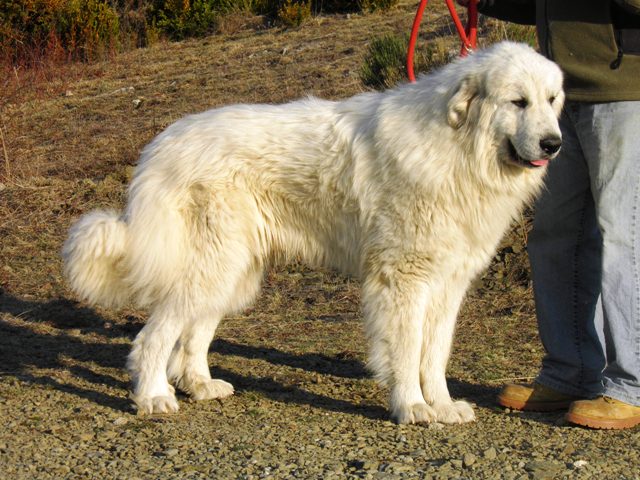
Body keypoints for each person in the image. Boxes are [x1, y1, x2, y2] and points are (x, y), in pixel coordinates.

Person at [456, 0, 640, 429]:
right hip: (553, 96)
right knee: (556, 235)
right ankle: (570, 371)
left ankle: (630, 384)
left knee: (624, 234)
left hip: (625, 88)